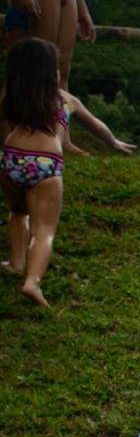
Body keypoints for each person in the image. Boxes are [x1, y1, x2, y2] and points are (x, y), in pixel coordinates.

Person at [1, 37, 133, 305]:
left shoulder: (11, 96)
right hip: (46, 163)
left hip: (10, 158)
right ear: (52, 72)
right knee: (44, 230)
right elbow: (96, 126)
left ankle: (16, 263)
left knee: (18, 212)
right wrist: (113, 143)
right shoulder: (64, 100)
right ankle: (32, 281)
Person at [4, 0, 93, 87]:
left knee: (62, 70)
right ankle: (34, 105)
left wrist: (82, 7)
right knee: (42, 63)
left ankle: (60, 107)